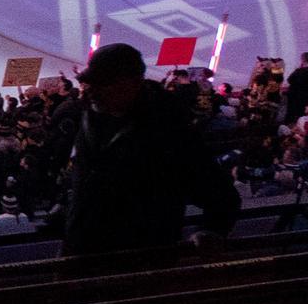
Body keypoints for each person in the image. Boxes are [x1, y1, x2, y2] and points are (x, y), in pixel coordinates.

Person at [59, 42, 241, 257]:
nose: (90, 91)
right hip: (81, 255)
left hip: (138, 264)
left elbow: (219, 193)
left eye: (101, 84)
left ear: (132, 83)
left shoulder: (167, 131)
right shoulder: (94, 119)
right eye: (89, 83)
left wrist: (211, 231)